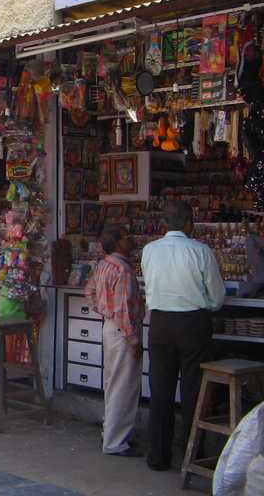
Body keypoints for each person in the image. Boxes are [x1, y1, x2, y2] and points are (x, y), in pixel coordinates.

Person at [141, 200, 226, 471]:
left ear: (164, 224)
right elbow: (216, 297)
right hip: (192, 323)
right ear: (190, 224)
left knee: (160, 389)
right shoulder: (200, 251)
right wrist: (206, 306)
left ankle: (158, 456)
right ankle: (192, 456)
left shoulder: (150, 250)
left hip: (160, 324)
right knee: (193, 391)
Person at [84, 225, 145, 458]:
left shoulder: (103, 264)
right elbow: (124, 310)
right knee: (124, 385)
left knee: (112, 382)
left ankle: (110, 431)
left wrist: (102, 309)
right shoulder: (123, 269)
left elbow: (89, 290)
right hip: (122, 332)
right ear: (119, 242)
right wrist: (133, 340)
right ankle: (115, 442)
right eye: (128, 237)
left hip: (110, 328)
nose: (132, 240)